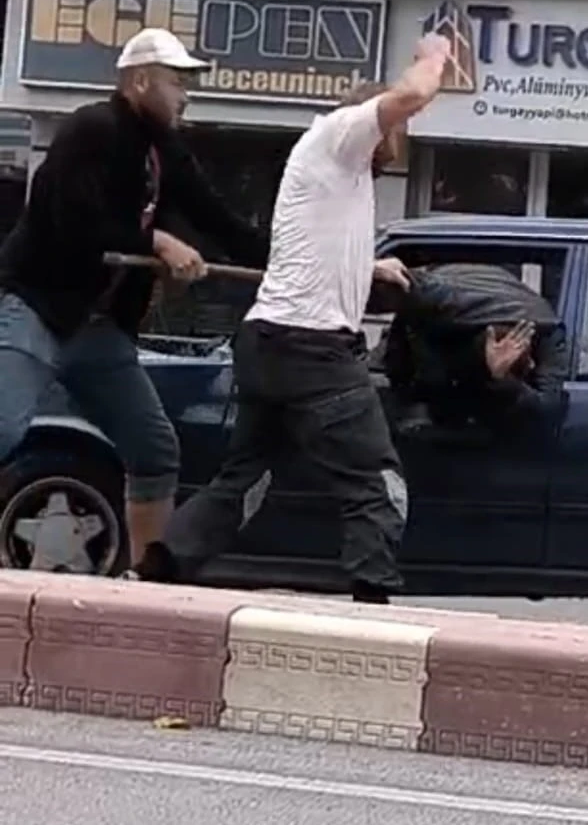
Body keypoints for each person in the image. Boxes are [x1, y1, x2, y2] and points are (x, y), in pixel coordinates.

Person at [132, 32, 452, 602]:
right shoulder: (341, 134)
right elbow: (411, 94)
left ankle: (159, 569)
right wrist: (436, 55)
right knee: (376, 483)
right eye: (399, 131)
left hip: (267, 343)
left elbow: (307, 252)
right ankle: (373, 604)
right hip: (314, 350)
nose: (401, 141)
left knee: (246, 480)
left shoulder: (334, 169)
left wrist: (368, 266)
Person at [0, 27, 269, 566]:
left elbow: (221, 221)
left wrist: (290, 265)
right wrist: (157, 242)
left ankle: (148, 581)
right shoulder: (90, 129)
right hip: (36, 308)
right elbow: (75, 223)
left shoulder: (165, 153)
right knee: (2, 428)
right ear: (141, 81)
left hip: (100, 330)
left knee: (154, 450)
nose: (186, 95)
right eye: (177, 82)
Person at [376, 262, 568, 434]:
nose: (533, 365)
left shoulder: (547, 330)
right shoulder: (447, 312)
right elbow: (417, 291)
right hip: (445, 414)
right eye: (524, 364)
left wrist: (503, 379)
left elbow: (547, 413)